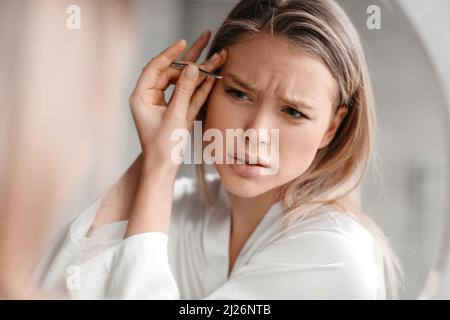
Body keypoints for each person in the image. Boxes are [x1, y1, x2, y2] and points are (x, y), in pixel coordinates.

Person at [34, 0, 402, 299]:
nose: (256, 134)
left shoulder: (335, 255)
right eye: (239, 93)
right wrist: (155, 155)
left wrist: (162, 165)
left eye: (293, 112)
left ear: (331, 127)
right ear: (203, 89)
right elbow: (49, 287)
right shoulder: (176, 205)